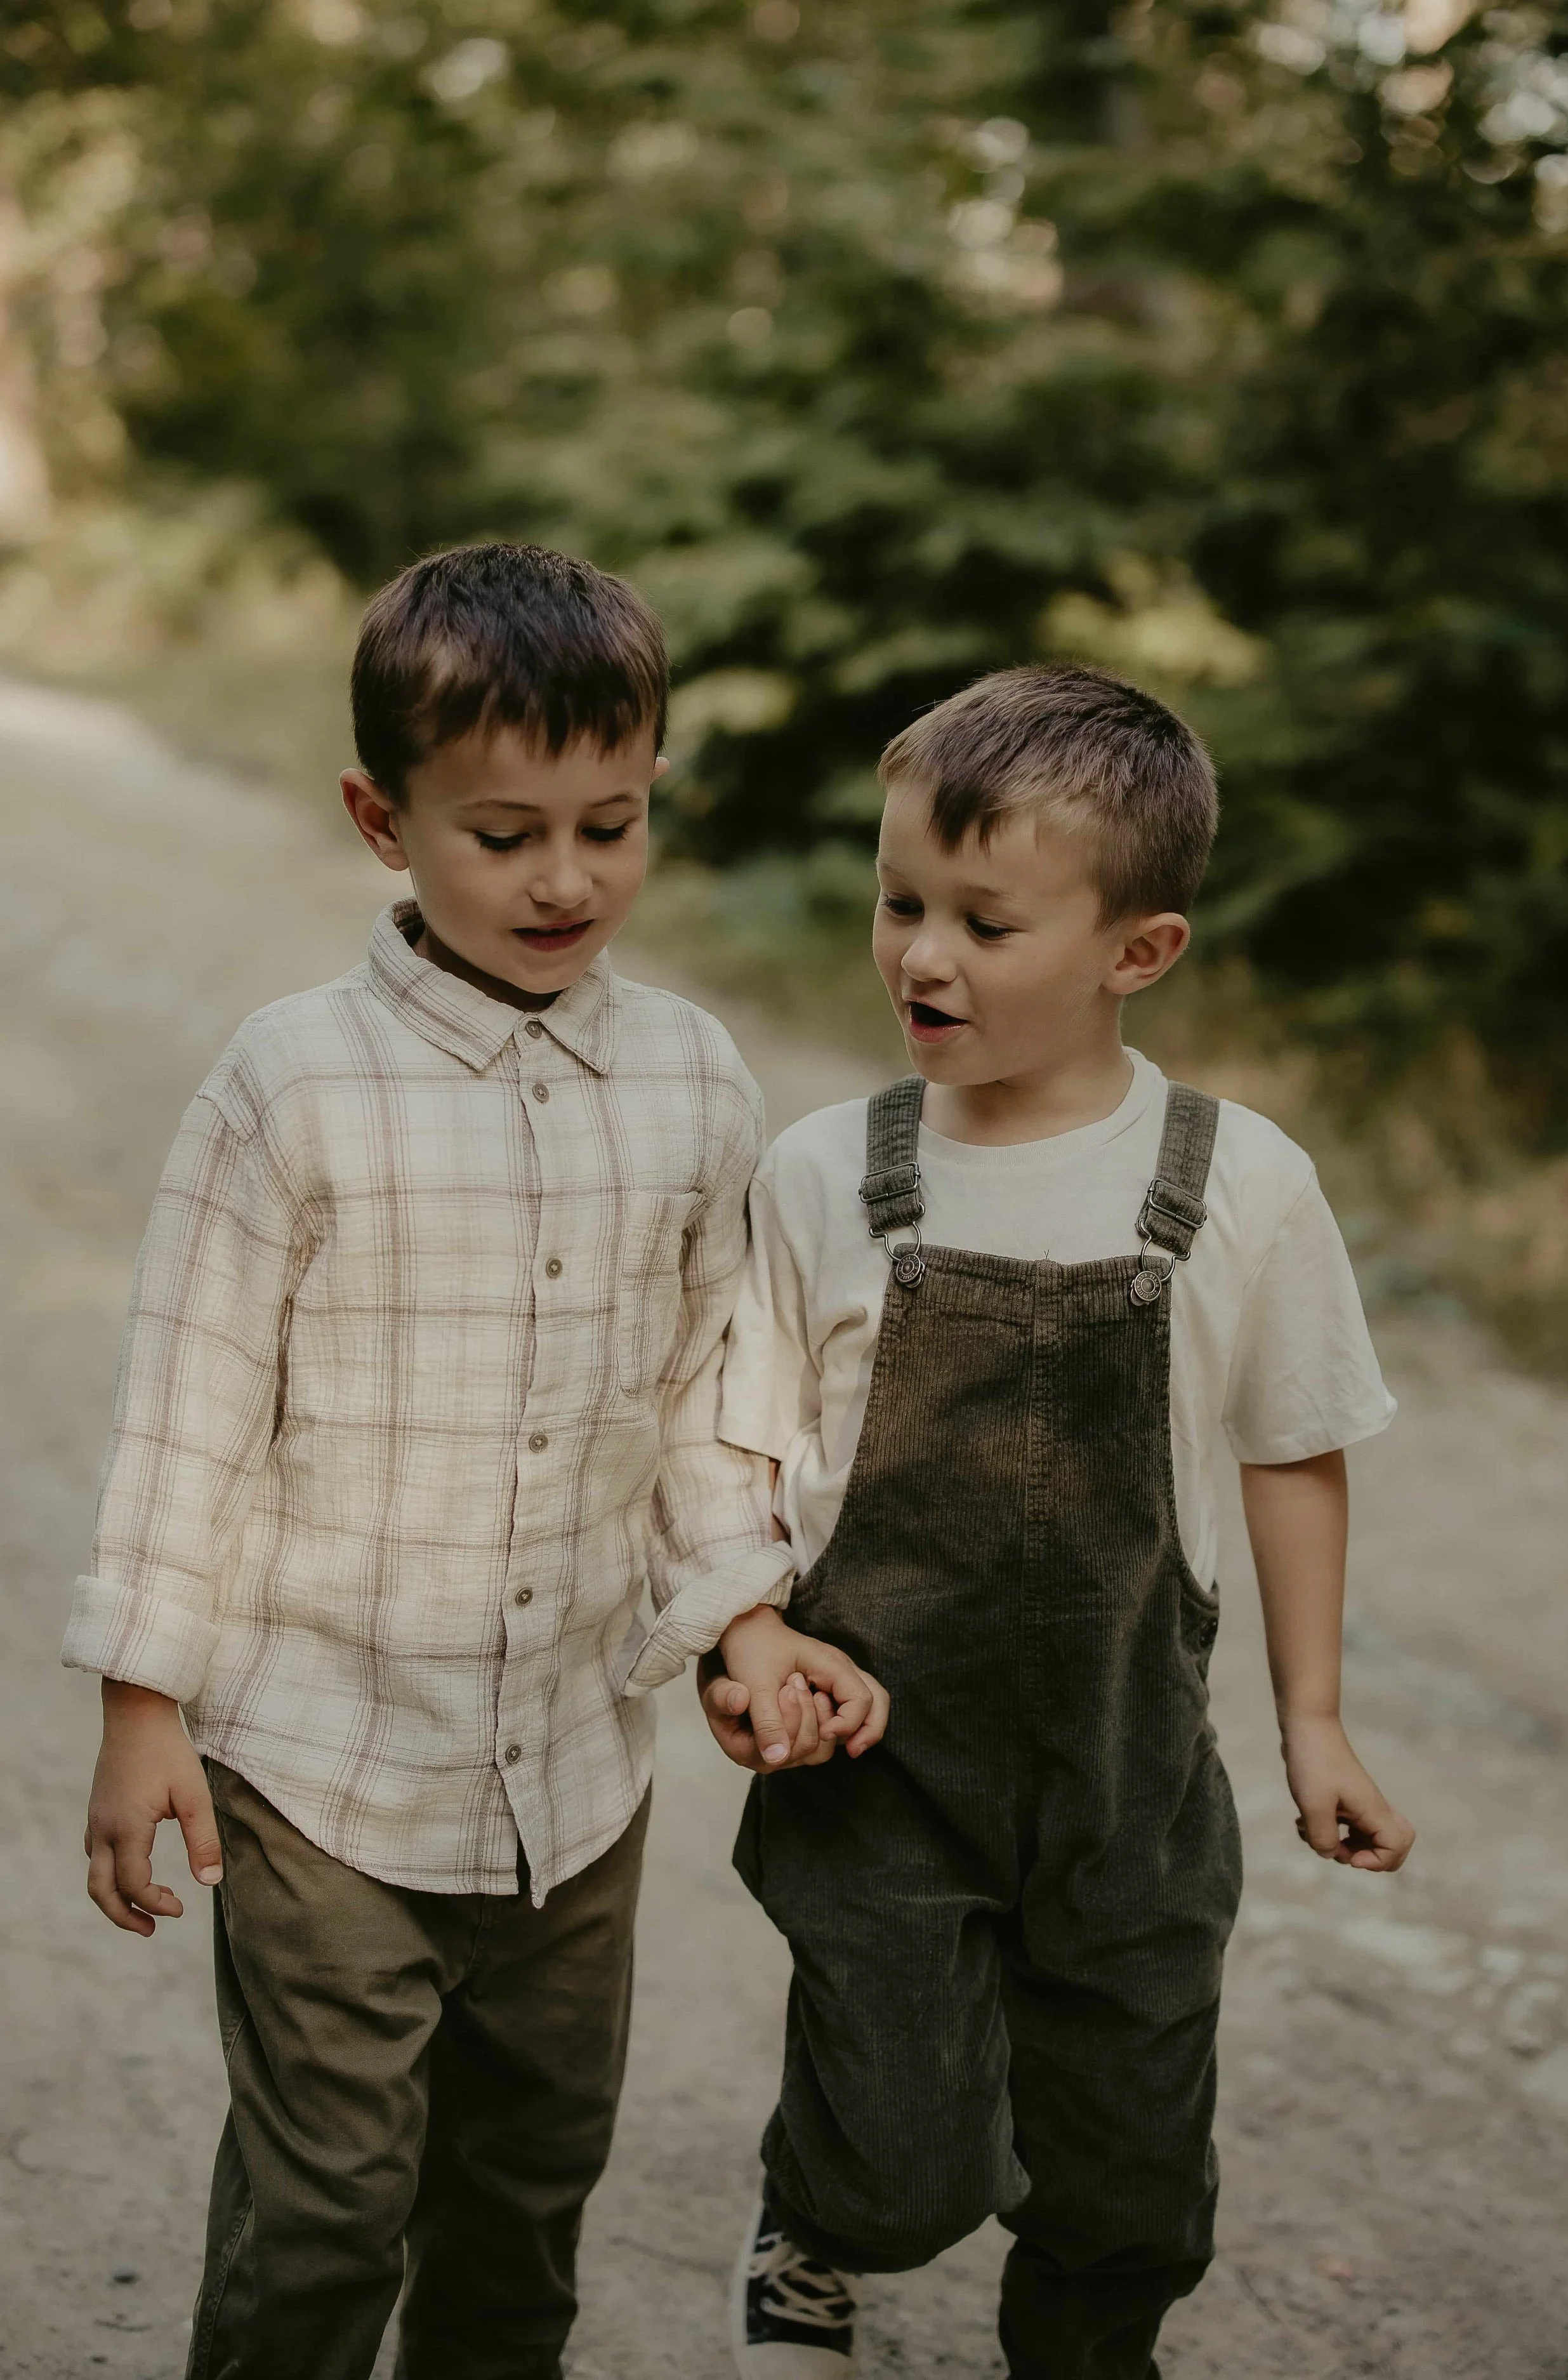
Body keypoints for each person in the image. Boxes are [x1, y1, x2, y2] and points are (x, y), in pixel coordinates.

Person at [64, 539, 883, 2380]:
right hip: (320, 1765)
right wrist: (143, 1701)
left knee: (523, 2194)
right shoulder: (294, 1083)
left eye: (610, 822)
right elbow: (190, 1402)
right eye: (504, 832)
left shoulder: (690, 1082)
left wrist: (743, 1623)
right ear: (382, 818)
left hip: (572, 1781)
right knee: (329, 2200)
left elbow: (700, 1399)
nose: (566, 876)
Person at [699, 664, 1415, 2379]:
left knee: (1130, 2185)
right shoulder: (822, 1173)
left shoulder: (1236, 1180)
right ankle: (817, 2217)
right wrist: (748, 1630)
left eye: (982, 921)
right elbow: (730, 1447)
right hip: (876, 1777)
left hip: (1126, 1782)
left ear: (1135, 950)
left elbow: (1293, 1446)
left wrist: (1309, 1720)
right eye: (897, 902)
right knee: (895, 2166)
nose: (919, 955)